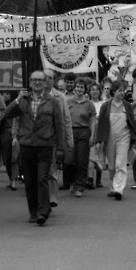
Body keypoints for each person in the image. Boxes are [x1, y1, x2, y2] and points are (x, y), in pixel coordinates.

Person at [5, 71, 64, 226]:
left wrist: (61, 148)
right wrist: (17, 99)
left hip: (45, 146)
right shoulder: (23, 100)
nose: (37, 82)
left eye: (40, 80)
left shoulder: (53, 102)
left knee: (42, 178)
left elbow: (59, 126)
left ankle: (43, 211)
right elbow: (7, 114)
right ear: (30, 82)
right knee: (30, 181)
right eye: (34, 80)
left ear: (45, 83)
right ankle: (33, 212)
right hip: (27, 146)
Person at [95, 80, 136, 200]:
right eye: (119, 91)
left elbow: (132, 123)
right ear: (113, 92)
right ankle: (112, 187)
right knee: (112, 166)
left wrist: (133, 140)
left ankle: (118, 189)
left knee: (120, 164)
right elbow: (101, 124)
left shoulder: (127, 106)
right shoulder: (106, 106)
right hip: (109, 137)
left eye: (123, 90)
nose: (122, 93)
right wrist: (99, 140)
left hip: (124, 136)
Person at [43, 69, 73, 207]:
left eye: (50, 78)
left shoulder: (59, 97)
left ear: (54, 80)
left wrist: (69, 140)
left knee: (52, 168)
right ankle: (42, 197)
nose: (47, 80)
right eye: (45, 77)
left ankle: (52, 198)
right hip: (39, 138)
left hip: (54, 138)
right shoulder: (36, 94)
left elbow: (66, 119)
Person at [66, 77, 96, 197]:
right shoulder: (68, 102)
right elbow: (65, 118)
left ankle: (80, 186)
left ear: (85, 89)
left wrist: (93, 135)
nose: (79, 89)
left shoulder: (89, 104)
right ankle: (72, 181)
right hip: (71, 132)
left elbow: (93, 121)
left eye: (81, 87)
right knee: (69, 161)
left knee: (81, 161)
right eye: (77, 86)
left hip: (84, 133)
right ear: (75, 88)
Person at [59, 72, 77, 190]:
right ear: (64, 82)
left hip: (77, 128)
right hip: (64, 129)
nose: (69, 84)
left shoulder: (79, 95)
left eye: (71, 82)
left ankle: (76, 181)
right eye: (68, 82)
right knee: (66, 158)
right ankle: (66, 181)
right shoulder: (60, 96)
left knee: (76, 158)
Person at [0, 91, 20, 190]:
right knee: (7, 157)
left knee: (15, 157)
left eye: (8, 93)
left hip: (17, 132)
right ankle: (10, 178)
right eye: (4, 93)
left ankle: (14, 180)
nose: (6, 95)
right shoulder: (3, 105)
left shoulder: (18, 104)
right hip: (6, 132)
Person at [88, 82, 104, 188]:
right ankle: (90, 179)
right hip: (89, 132)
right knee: (91, 156)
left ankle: (98, 179)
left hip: (100, 132)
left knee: (99, 156)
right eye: (92, 89)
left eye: (96, 89)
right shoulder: (87, 103)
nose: (94, 91)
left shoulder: (103, 104)